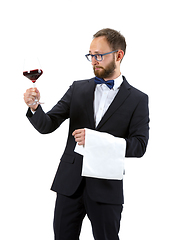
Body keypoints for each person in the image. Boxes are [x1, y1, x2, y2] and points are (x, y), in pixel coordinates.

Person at [24, 28, 149, 240]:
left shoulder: (138, 99)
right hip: (69, 184)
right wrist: (35, 108)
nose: (93, 60)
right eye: (91, 55)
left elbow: (139, 146)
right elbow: (48, 125)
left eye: (99, 55)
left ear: (119, 55)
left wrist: (96, 141)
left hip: (106, 188)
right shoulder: (78, 88)